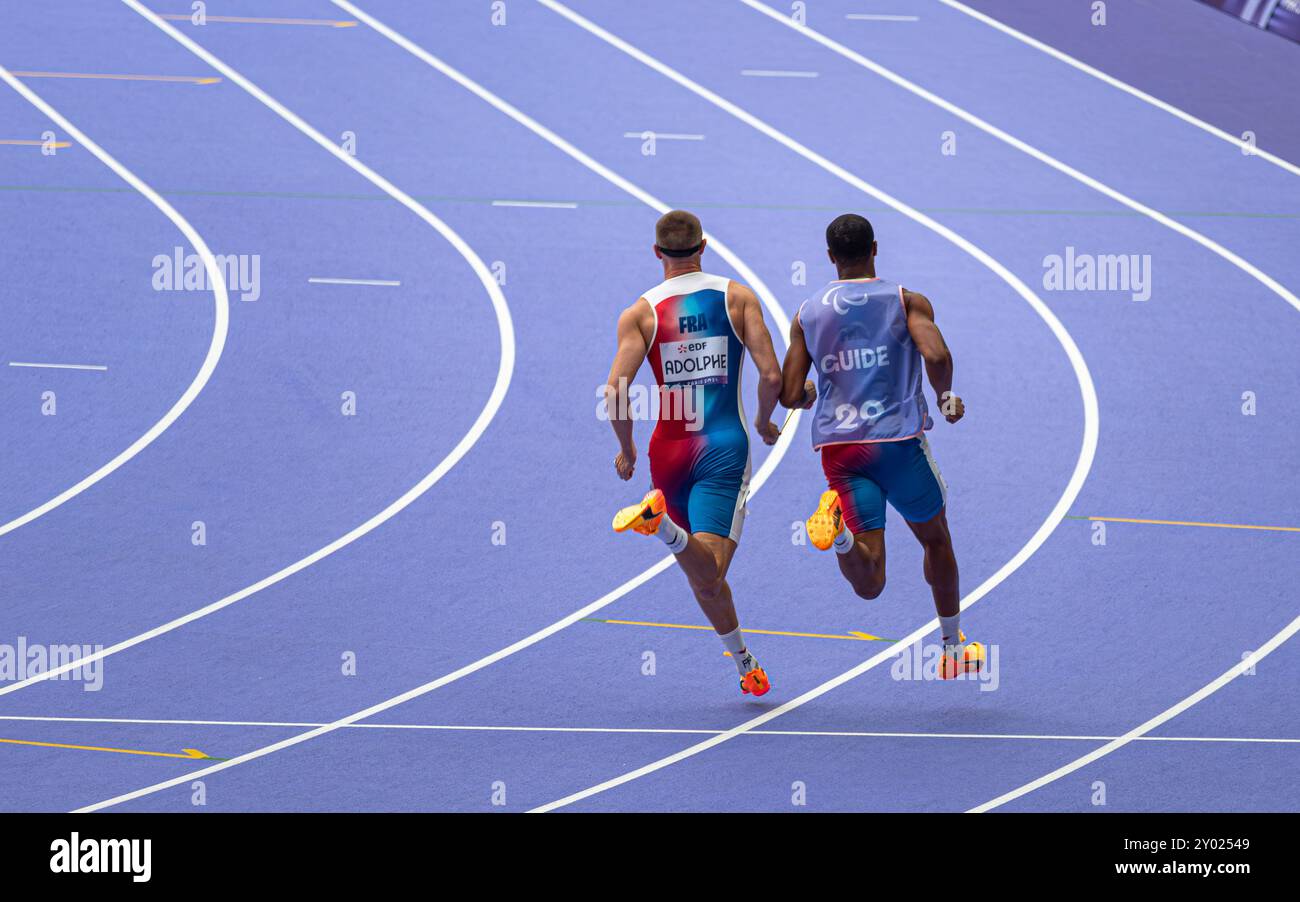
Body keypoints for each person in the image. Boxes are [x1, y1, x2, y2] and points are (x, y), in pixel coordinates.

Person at [780, 213, 984, 679]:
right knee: (935, 540)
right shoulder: (905, 300)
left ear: (830, 257)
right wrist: (946, 397)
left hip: (841, 451)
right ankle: (952, 649)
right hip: (897, 444)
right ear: (876, 248)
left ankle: (844, 537)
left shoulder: (807, 312)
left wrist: (810, 393)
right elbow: (937, 355)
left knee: (870, 582)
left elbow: (790, 394)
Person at [606, 210, 784, 696]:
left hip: (668, 450)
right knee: (712, 566)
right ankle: (660, 525)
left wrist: (627, 450)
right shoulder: (738, 297)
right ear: (704, 245)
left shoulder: (640, 313)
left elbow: (615, 390)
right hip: (721, 448)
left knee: (701, 574)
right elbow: (771, 375)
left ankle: (744, 661)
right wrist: (767, 421)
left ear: (656, 253)